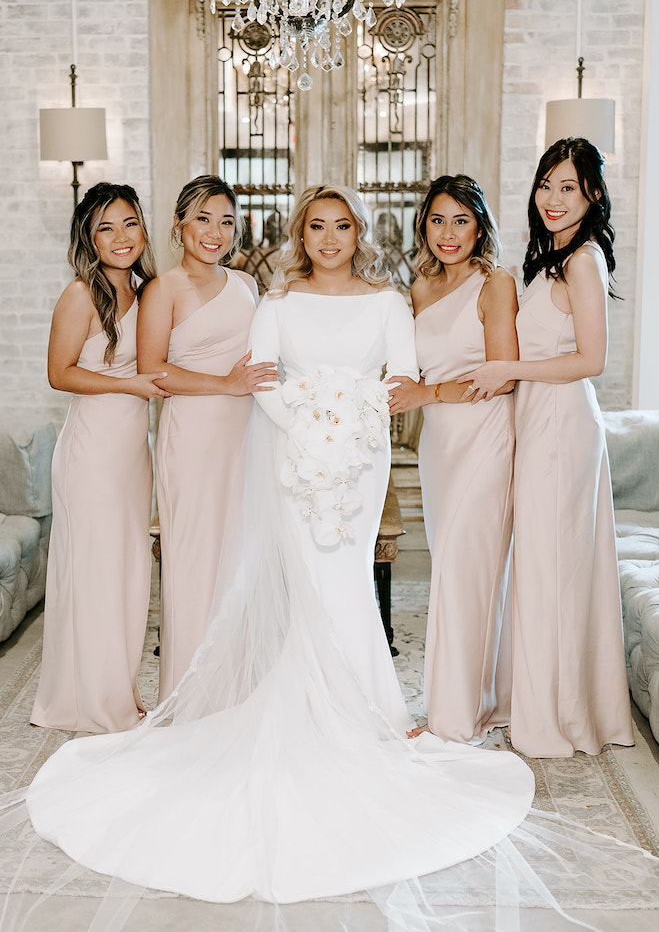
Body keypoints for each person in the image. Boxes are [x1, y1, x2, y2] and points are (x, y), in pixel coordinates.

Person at [20, 186, 534, 913]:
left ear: (361, 233)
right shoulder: (278, 304)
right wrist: (309, 427)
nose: (329, 239)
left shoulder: (390, 302)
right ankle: (299, 703)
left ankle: (371, 713)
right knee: (303, 584)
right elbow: (261, 381)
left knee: (349, 580)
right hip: (297, 457)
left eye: (342, 226)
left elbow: (401, 382)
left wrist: (348, 430)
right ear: (301, 234)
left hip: (360, 461)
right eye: (316, 227)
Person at [459, 138, 634, 757]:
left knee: (551, 569)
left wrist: (508, 367)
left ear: (592, 194)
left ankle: (555, 716)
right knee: (538, 565)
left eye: (568, 187)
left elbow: (592, 360)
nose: (554, 199)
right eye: (546, 185)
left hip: (562, 427)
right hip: (539, 421)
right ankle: (541, 700)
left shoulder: (583, 260)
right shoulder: (549, 260)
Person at [31, 182, 169, 733]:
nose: (120, 237)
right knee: (94, 571)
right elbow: (59, 373)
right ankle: (87, 701)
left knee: (127, 572)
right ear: (88, 235)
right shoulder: (80, 295)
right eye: (106, 227)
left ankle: (116, 690)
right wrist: (131, 384)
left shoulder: (149, 292)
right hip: (91, 454)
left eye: (130, 223)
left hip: (133, 452)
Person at [388, 175, 518, 745]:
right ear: (424, 226)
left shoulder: (496, 285)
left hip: (485, 439)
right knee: (453, 569)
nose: (448, 233)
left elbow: (503, 379)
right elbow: (411, 373)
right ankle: (468, 700)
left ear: (480, 226)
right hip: (439, 445)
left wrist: (424, 394)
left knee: (469, 571)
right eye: (438, 220)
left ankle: (454, 717)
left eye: (461, 220)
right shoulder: (419, 289)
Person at [137, 175, 278, 701]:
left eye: (226, 220)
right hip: (193, 438)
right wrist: (225, 383)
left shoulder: (245, 285)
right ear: (179, 224)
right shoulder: (163, 289)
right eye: (203, 218)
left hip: (246, 434)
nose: (215, 232)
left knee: (240, 556)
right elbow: (153, 372)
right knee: (195, 557)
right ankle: (191, 694)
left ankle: (239, 689)